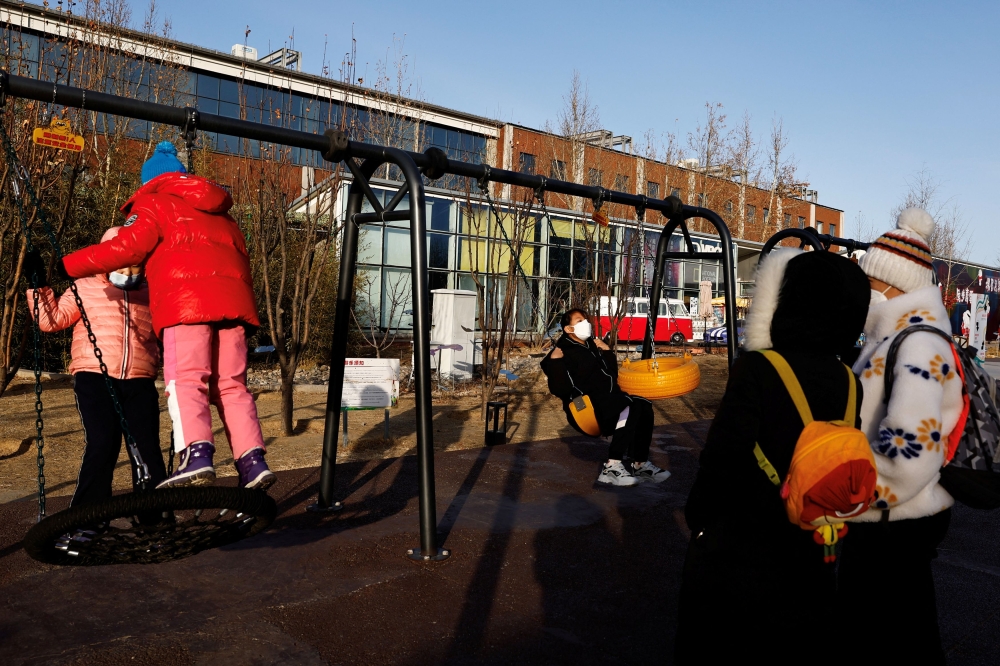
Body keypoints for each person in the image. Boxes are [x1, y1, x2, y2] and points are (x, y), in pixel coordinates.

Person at [675, 249, 870, 665]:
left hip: (746, 544)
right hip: (813, 542)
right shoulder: (850, 381)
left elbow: (723, 457)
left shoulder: (758, 369)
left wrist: (700, 517)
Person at [57, 141, 275, 491]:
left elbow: (127, 247)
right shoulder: (223, 212)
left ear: (149, 182)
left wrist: (67, 264)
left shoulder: (153, 203)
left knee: (186, 379)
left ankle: (197, 453)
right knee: (231, 386)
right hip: (234, 308)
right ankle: (252, 461)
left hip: (186, 305)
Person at [838, 208, 963, 664]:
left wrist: (856, 497)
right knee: (902, 627)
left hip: (893, 515)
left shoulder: (916, 342)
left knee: (895, 631)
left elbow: (912, 447)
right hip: (893, 515)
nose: (865, 288)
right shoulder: (896, 336)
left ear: (896, 284)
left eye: (872, 278)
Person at [24, 227, 167, 507]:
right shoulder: (85, 286)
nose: (127, 269)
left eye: (135, 262)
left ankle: (155, 515)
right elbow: (51, 320)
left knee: (147, 448)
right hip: (94, 376)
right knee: (103, 443)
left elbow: (169, 332)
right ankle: (88, 516)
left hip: (139, 378)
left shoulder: (152, 292)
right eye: (120, 261)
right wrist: (37, 285)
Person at [540, 308, 669, 486]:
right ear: (569, 329)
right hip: (585, 408)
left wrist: (607, 351)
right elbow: (560, 389)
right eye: (579, 321)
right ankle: (612, 466)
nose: (586, 323)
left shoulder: (592, 346)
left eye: (586, 319)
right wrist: (555, 363)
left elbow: (611, 376)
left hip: (608, 400)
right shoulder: (563, 351)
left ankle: (640, 464)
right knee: (629, 405)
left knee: (644, 405)